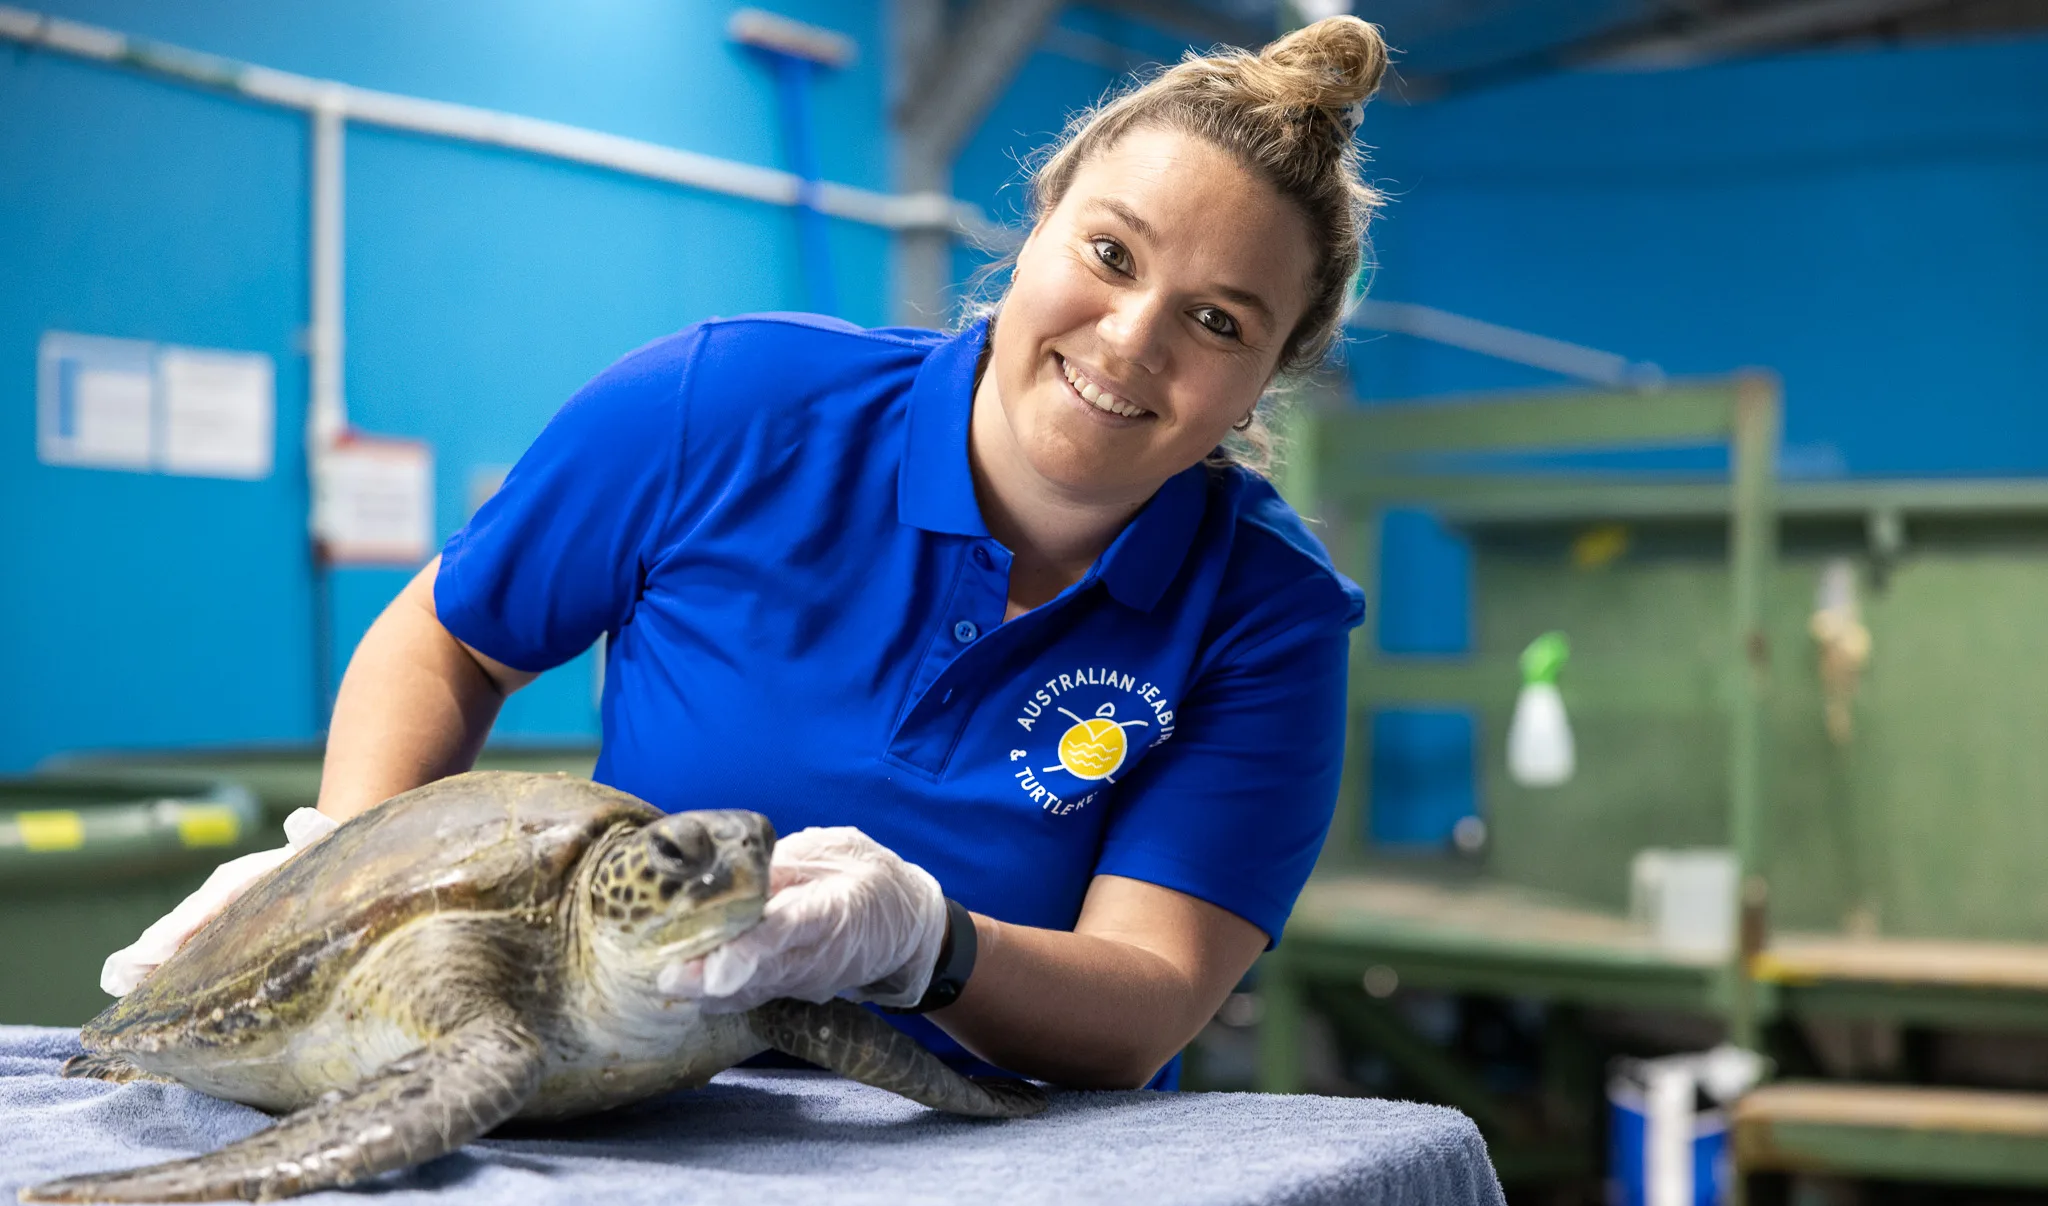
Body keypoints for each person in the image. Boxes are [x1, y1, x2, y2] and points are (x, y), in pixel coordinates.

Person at [103, 16, 1389, 1092]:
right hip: (629, 1097)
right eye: (1108, 254)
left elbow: (1147, 1000)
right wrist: (352, 887)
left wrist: (925, 946)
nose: (1128, 338)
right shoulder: (729, 403)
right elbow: (451, 641)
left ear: (1269, 379)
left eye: (1215, 320)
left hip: (1000, 1173)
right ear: (1037, 224)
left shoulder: (1263, 613)